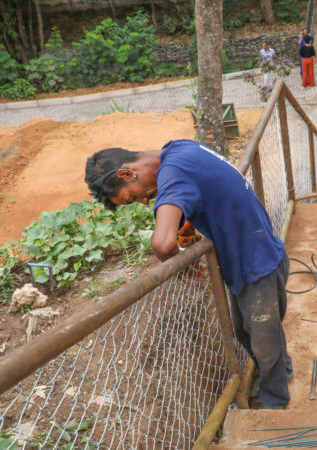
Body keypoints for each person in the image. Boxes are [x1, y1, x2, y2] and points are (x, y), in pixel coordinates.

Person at [84, 140, 293, 410]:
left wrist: (179, 265)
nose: (144, 200)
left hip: (258, 265)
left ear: (127, 174)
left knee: (263, 337)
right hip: (253, 255)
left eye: (132, 197)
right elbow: (208, 188)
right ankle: (279, 372)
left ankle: (274, 400)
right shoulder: (179, 148)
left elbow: (161, 243)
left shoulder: (172, 174)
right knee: (248, 331)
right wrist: (190, 224)